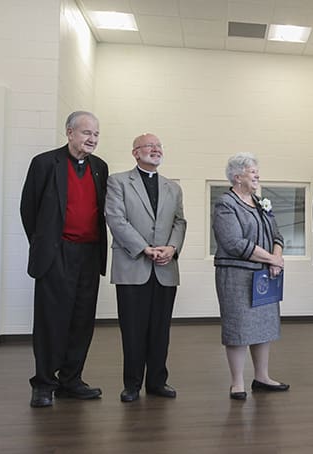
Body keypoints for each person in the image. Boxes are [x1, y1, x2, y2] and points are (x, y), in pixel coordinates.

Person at [20, 111, 108, 408]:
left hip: (89, 253)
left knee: (82, 320)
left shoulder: (100, 167)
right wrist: (44, 244)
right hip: (56, 253)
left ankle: (71, 380)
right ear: (69, 133)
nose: (92, 139)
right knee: (50, 320)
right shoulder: (45, 163)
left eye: (96, 134)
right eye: (86, 133)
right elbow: (28, 209)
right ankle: (44, 383)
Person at [105, 133, 187, 403]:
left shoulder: (173, 187)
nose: (155, 150)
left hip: (165, 268)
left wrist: (172, 249)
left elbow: (179, 222)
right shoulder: (118, 182)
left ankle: (157, 382)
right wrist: (144, 249)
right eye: (149, 146)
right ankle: (131, 384)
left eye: (159, 146)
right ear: (135, 152)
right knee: (132, 328)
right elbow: (116, 219)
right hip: (132, 265)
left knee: (160, 328)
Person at [212, 152, 289, 400]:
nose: (257, 174)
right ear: (237, 177)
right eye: (251, 170)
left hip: (264, 276)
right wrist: (271, 259)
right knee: (238, 327)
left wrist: (275, 257)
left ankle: (262, 377)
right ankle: (237, 382)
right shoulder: (226, 204)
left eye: (257, 170)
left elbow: (278, 235)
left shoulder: (261, 202)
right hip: (236, 276)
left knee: (263, 327)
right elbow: (233, 242)